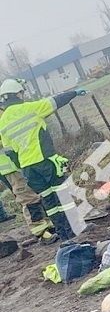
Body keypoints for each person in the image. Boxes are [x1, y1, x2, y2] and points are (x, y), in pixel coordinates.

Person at [0, 79, 87, 242]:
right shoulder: (30, 108)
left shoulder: (2, 121)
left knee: (49, 201)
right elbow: (55, 101)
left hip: (28, 169)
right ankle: (75, 230)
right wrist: (74, 93)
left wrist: (22, 166)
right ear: (18, 94)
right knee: (63, 197)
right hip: (45, 162)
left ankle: (63, 234)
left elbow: (10, 151)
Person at [0, 146, 56, 244]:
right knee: (29, 199)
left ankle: (48, 226)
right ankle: (41, 232)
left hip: (24, 161)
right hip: (13, 166)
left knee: (37, 195)